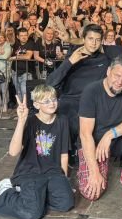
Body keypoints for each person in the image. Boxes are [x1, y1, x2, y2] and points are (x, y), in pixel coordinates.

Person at [0, 85, 74, 219]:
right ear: (36, 105)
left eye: (54, 99)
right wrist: (21, 120)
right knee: (31, 213)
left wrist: (64, 180)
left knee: (65, 203)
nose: (52, 103)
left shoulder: (62, 121)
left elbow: (64, 154)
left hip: (52, 172)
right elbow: (13, 152)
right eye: (46, 101)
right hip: (30, 172)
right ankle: (6, 191)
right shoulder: (31, 121)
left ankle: (37, 196)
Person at [78, 55, 122, 199]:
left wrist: (110, 134)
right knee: (92, 193)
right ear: (108, 71)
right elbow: (85, 134)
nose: (120, 82)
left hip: (115, 141)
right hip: (94, 144)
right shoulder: (91, 91)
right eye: (117, 76)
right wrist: (94, 171)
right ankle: (86, 167)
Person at [47, 24, 110, 154]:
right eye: (90, 39)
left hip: (91, 104)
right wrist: (70, 61)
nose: (94, 43)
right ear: (83, 39)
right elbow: (50, 82)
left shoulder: (104, 60)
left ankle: (82, 155)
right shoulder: (73, 55)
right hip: (69, 102)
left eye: (97, 40)